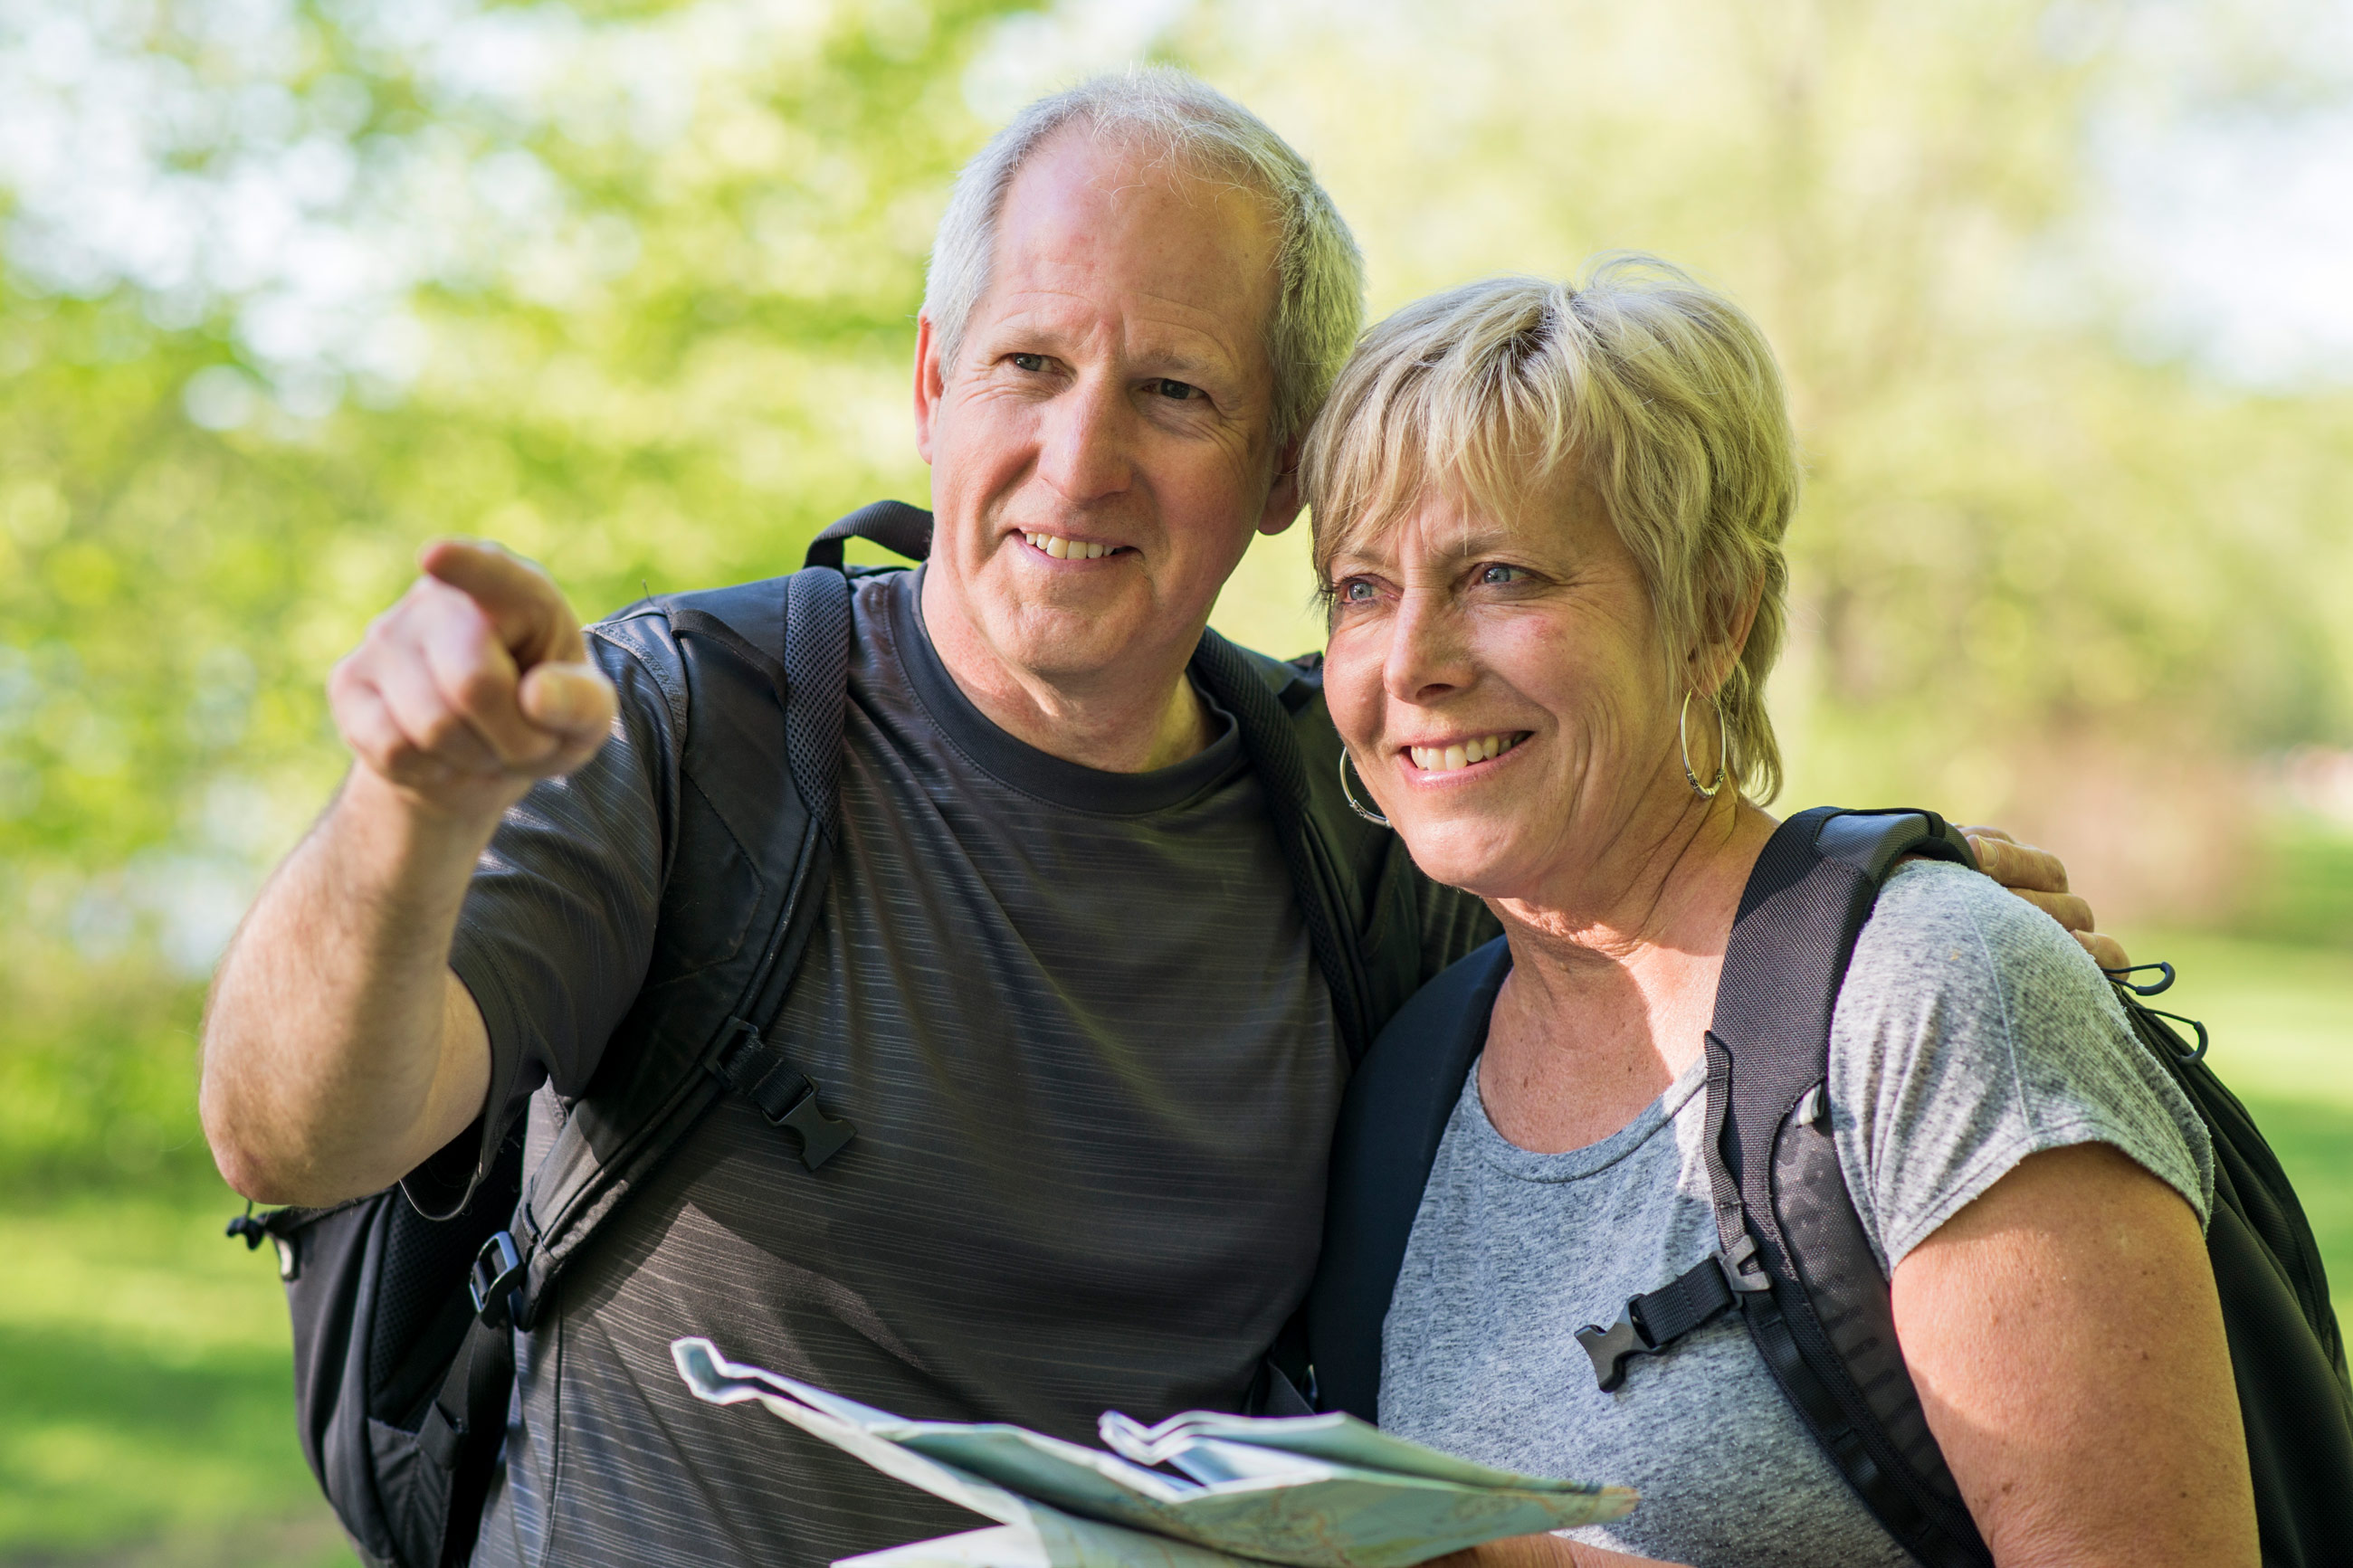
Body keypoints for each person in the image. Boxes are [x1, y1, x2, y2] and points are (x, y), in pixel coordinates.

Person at [196, 71, 2102, 1568]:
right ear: (935, 386)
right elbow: (287, 1128)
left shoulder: (1359, 836)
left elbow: (1608, 863)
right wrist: (407, 816)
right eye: (1029, 363)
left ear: (1281, 468)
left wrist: (1866, 920)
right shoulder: (695, 733)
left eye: (1174, 391)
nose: (1079, 457)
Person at [1299, 260, 2253, 1568]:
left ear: (1711, 617)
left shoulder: (1930, 997)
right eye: (1361, 588)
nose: (1411, 661)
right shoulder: (1414, 1075)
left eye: (1502, 575)